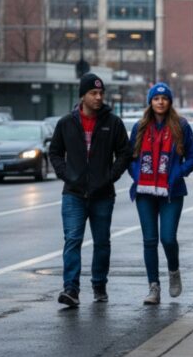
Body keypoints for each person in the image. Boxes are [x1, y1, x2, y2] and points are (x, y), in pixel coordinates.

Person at [50, 73, 132, 307]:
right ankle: (71, 289)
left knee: (102, 242)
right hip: (73, 194)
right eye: (93, 93)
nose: (98, 97)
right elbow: (55, 152)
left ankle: (99, 284)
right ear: (82, 96)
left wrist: (110, 177)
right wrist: (67, 175)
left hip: (102, 195)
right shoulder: (66, 123)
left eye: (100, 93)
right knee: (73, 240)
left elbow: (125, 153)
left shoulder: (112, 122)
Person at [127, 82, 193, 305]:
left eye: (164, 98)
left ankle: (173, 271)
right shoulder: (139, 127)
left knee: (167, 238)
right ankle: (154, 287)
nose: (160, 102)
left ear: (170, 102)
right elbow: (130, 158)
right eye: (156, 98)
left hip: (172, 192)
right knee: (150, 240)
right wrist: (138, 176)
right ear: (150, 101)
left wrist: (178, 173)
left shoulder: (181, 125)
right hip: (145, 192)